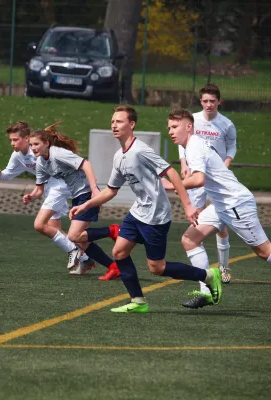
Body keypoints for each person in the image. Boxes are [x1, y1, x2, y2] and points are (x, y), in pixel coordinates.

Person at [69, 105, 222, 313]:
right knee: (119, 251)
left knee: (157, 268)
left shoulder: (141, 151)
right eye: (113, 121)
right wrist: (85, 205)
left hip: (156, 217)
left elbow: (173, 174)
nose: (114, 125)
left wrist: (187, 206)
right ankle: (138, 301)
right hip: (138, 212)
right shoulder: (119, 156)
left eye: (119, 121)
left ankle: (208, 275)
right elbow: (111, 191)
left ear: (131, 125)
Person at [165, 108, 271, 308]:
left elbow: (198, 179)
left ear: (189, 127)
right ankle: (207, 292)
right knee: (189, 239)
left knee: (264, 252)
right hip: (221, 205)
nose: (170, 131)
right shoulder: (191, 146)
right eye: (169, 127)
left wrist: (172, 185)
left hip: (236, 203)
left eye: (174, 126)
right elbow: (196, 178)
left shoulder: (194, 145)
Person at [23, 123, 120, 280]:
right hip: (77, 197)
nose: (33, 148)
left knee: (73, 237)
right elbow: (39, 189)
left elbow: (86, 164)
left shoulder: (58, 154)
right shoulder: (41, 162)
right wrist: (31, 196)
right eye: (31, 145)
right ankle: (113, 267)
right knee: (80, 241)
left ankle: (112, 231)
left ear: (46, 143)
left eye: (36, 144)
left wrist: (95, 189)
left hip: (87, 194)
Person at [178, 83, 237, 283]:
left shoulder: (226, 124)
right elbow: (183, 142)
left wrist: (226, 164)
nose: (209, 104)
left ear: (219, 101)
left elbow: (232, 146)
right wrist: (184, 163)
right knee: (195, 220)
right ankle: (202, 270)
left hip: (217, 178)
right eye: (205, 101)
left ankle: (223, 268)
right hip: (196, 175)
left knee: (220, 225)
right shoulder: (192, 120)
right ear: (200, 102)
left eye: (213, 101)